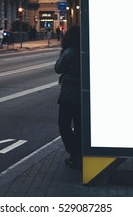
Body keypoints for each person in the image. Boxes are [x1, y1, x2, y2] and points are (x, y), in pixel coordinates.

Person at [54, 26, 82, 169]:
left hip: (68, 95)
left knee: (64, 125)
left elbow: (58, 68)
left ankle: (74, 153)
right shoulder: (85, 50)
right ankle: (79, 154)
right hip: (82, 97)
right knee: (79, 127)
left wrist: (62, 53)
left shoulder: (69, 52)